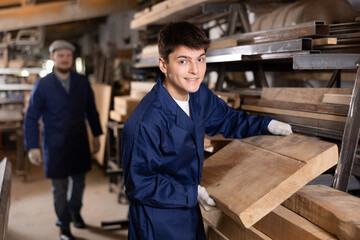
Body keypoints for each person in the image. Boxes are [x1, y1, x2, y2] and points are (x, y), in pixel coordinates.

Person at [121, 22, 292, 240]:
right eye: (183, 61)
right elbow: (140, 185)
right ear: (163, 65)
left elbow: (228, 119)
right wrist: (192, 194)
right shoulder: (145, 122)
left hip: (188, 210)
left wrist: (266, 124)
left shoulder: (199, 95)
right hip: (157, 221)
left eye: (200, 59)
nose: (195, 70)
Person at [23, 40, 103, 240]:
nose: (65, 59)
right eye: (61, 56)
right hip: (55, 143)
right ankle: (64, 225)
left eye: (68, 56)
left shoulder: (82, 81)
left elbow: (91, 110)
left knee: (79, 183)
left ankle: (75, 210)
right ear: (53, 58)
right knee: (59, 189)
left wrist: (96, 135)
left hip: (78, 141)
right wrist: (32, 146)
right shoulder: (43, 84)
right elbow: (31, 116)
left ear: (72, 58)